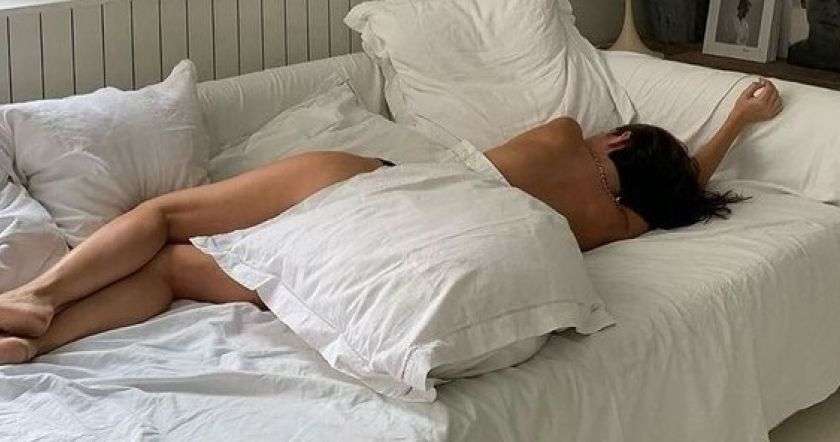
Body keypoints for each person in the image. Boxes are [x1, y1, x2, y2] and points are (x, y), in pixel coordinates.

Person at [0, 78, 783, 364]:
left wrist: (732, 114)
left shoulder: (565, 134)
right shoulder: (621, 228)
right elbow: (684, 186)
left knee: (168, 215)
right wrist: (731, 133)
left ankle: (38, 297)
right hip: (395, 241)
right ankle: (40, 343)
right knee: (178, 269)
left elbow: (666, 169)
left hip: (382, 183)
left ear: (616, 141)